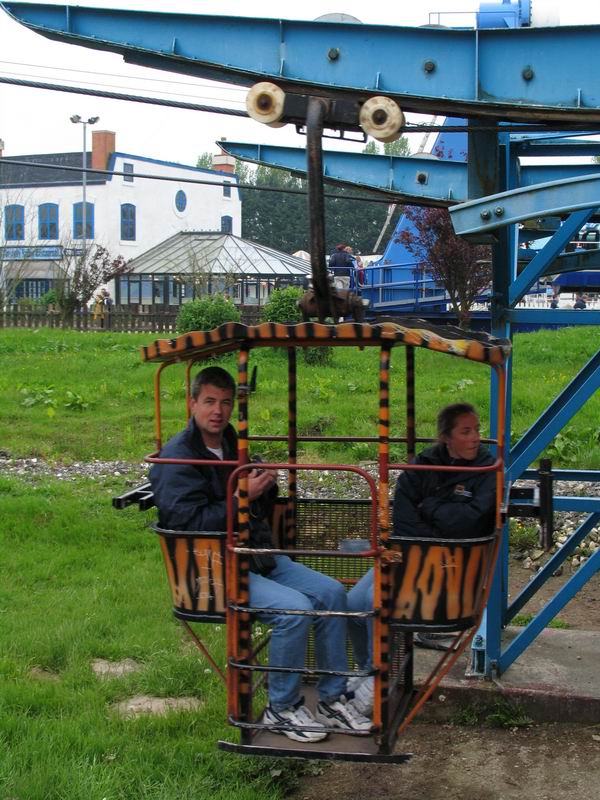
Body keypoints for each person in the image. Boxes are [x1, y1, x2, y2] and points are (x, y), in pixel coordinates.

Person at [150, 366, 371, 742]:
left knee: (332, 592)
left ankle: (332, 699)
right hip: (212, 568)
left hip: (255, 555)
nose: (218, 411)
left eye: (225, 403)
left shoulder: (230, 442)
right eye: (209, 402)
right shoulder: (178, 458)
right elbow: (188, 521)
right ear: (192, 403)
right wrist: (242, 495)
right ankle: (280, 708)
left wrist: (264, 485)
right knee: (295, 610)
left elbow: (253, 506)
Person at [346, 402, 496, 711]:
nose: (475, 438)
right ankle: (367, 667)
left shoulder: (486, 469)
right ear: (446, 437)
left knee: (376, 600)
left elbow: (473, 520)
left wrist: (429, 508)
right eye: (466, 432)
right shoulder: (424, 465)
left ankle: (381, 675)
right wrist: (441, 525)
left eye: (477, 430)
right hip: (410, 553)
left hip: (451, 565)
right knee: (353, 602)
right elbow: (403, 516)